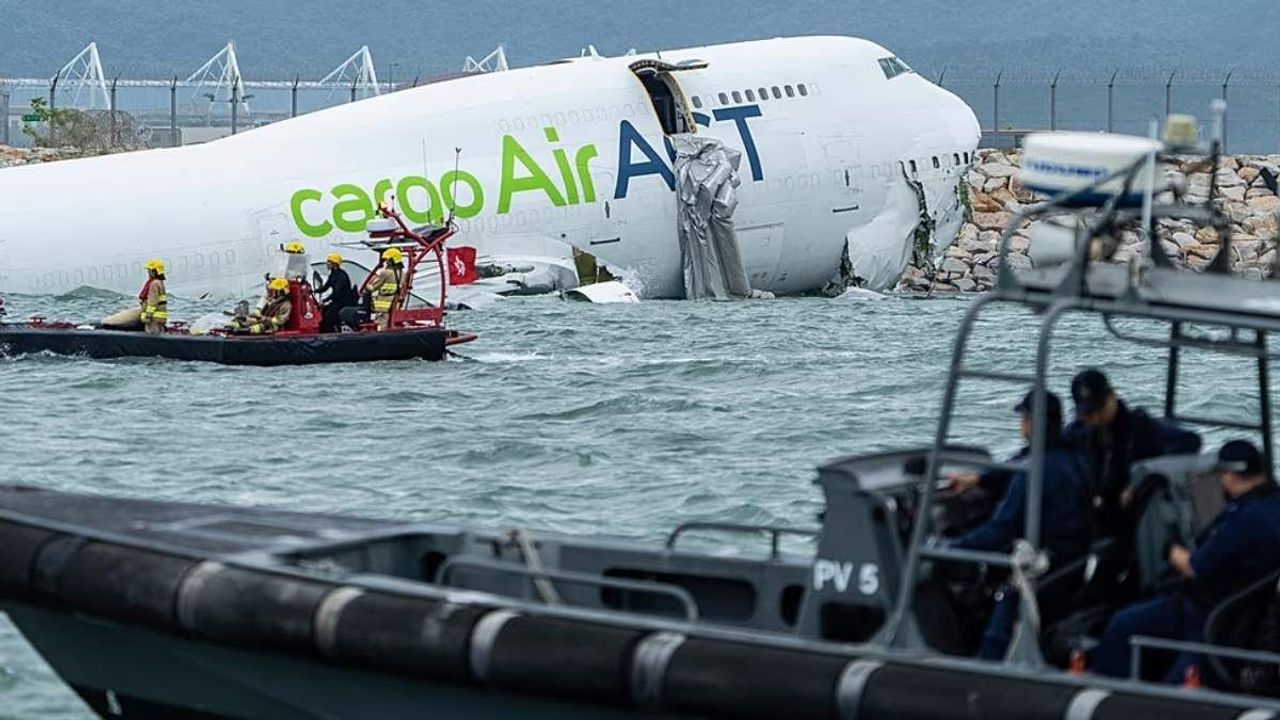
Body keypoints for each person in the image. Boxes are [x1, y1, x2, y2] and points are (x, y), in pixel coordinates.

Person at [1091, 439, 1280, 682]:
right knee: (1125, 623)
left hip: (1215, 618)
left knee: (1127, 629)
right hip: (1238, 613)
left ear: (1230, 476)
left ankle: (1105, 688)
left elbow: (1193, 566)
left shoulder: (1244, 520)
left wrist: (1167, 547)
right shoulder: (1270, 506)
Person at [949, 390, 1093, 660]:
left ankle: (987, 662)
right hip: (1072, 568)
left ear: (1031, 423)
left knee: (999, 605)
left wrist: (949, 548)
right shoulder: (1075, 458)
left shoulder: (1032, 474)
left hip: (1041, 575)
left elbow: (999, 532)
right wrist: (980, 479)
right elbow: (1019, 461)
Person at [1067, 368, 1202, 538]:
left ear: (1112, 396)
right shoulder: (1077, 434)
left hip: (1136, 516)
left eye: (1100, 408)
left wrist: (1143, 477)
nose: (1096, 417)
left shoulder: (1139, 426)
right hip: (1093, 514)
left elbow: (1189, 441)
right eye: (1088, 413)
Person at [317, 252, 357, 332]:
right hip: (336, 301)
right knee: (323, 311)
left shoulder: (341, 276)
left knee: (328, 315)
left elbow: (337, 293)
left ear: (334, 264)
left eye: (329, 262)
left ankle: (330, 332)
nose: (327, 264)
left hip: (343, 301)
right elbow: (325, 287)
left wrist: (324, 300)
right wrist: (313, 290)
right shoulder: (333, 274)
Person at [367, 247, 404, 331]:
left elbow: (373, 288)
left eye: (387, 260)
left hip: (383, 304)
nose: (386, 262)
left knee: (381, 324)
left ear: (392, 260)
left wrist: (367, 286)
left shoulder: (385, 273)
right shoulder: (403, 273)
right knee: (389, 323)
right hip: (395, 303)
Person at [138, 259, 168, 335]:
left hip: (154, 318)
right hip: (161, 317)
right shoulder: (160, 282)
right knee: (161, 336)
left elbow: (152, 302)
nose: (148, 273)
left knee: (152, 337)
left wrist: (148, 316)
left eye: (149, 270)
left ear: (154, 272)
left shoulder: (154, 284)